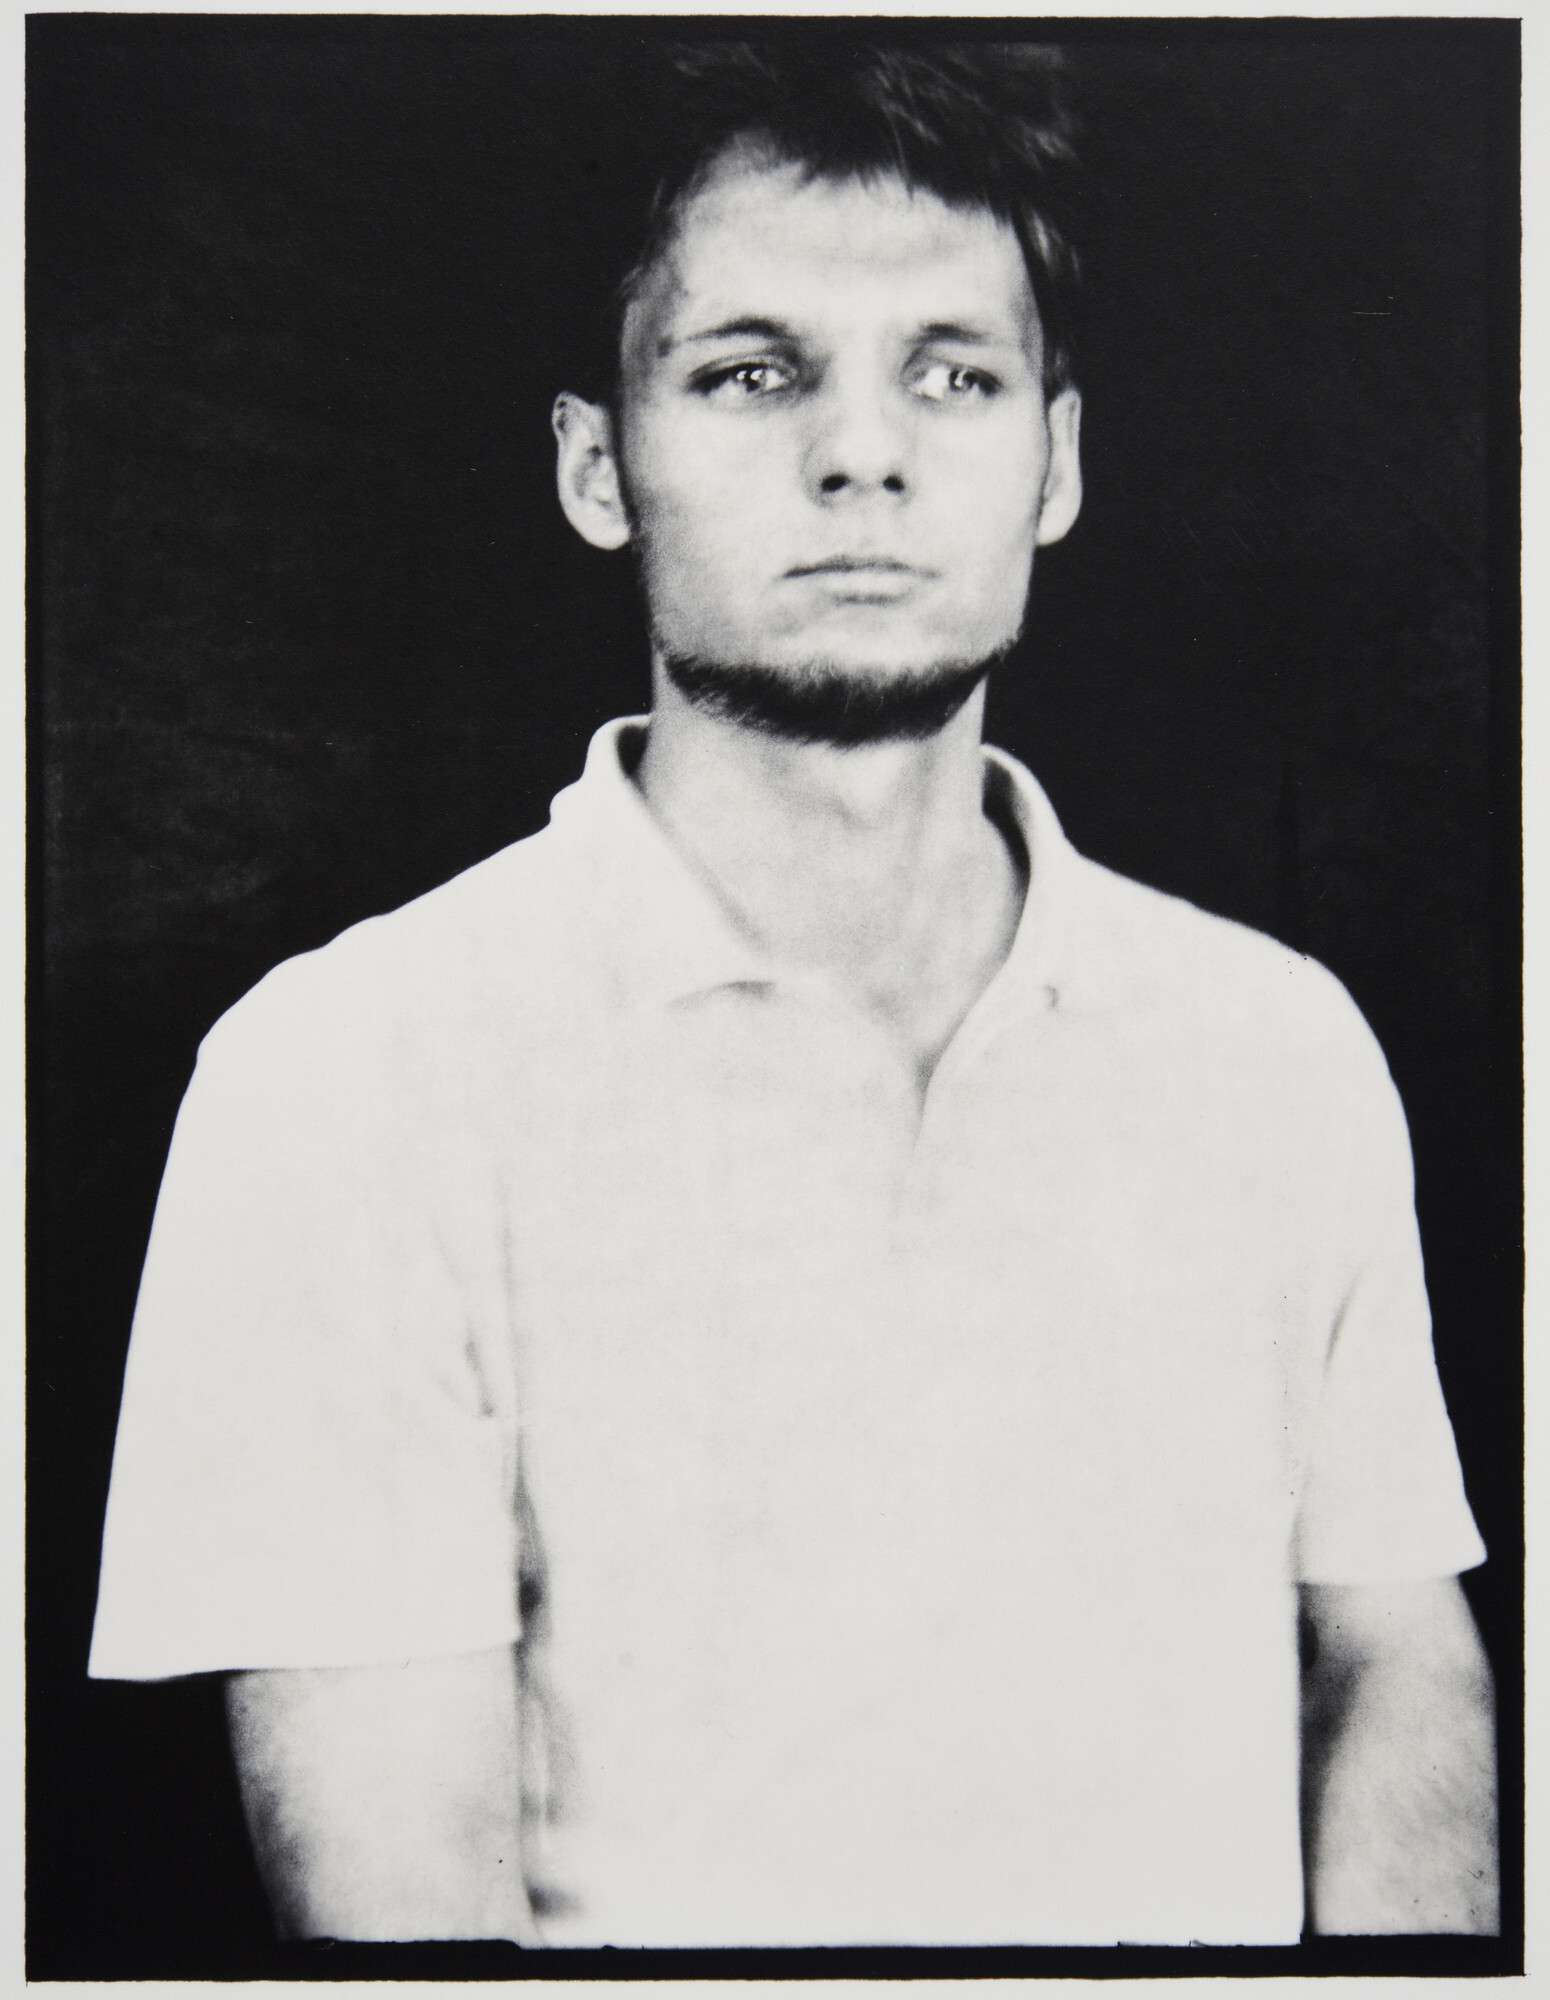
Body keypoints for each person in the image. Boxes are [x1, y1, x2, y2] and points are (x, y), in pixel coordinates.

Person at [87, 38, 1498, 1948]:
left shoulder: (1280, 1050)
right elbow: (401, 1911)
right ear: (597, 467)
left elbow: (1391, 1666)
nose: (862, 453)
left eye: (952, 374)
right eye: (753, 373)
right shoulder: (338, 1078)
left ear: (1058, 463)